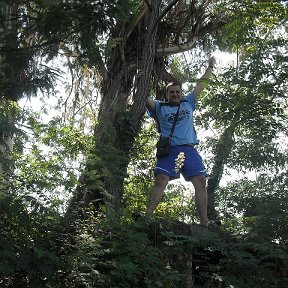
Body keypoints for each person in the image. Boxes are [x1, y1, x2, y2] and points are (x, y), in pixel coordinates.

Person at [145, 57, 216, 227]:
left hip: (189, 149)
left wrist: (210, 66)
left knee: (200, 181)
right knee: (161, 179)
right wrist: (141, 79)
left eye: (178, 92)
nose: (175, 94)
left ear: (181, 93)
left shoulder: (188, 102)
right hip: (169, 150)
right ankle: (146, 217)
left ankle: (204, 222)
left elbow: (201, 83)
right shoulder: (159, 106)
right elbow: (144, 98)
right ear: (166, 94)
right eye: (172, 92)